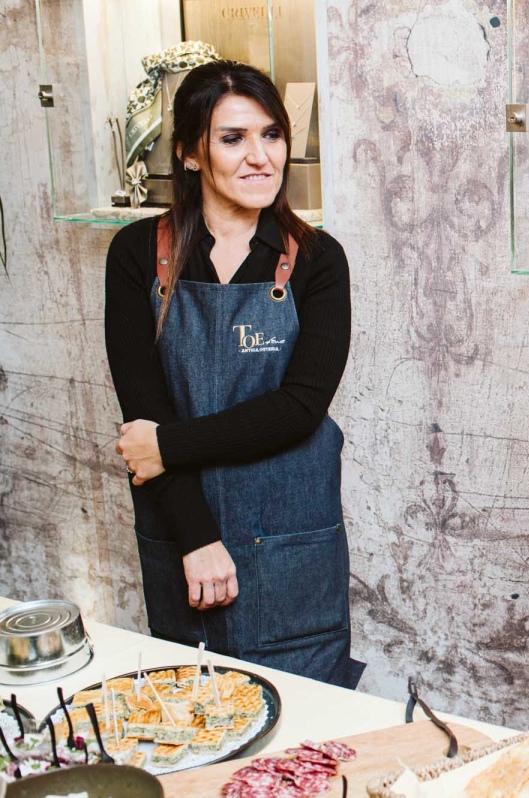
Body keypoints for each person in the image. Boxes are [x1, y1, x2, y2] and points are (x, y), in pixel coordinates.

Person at [105, 60, 364, 688]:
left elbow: (298, 409)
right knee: (193, 710)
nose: (260, 157)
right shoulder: (137, 254)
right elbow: (144, 408)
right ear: (190, 153)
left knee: (307, 721)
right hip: (183, 535)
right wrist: (196, 538)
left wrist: (166, 447)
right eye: (232, 138)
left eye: (272, 135)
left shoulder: (318, 260)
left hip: (292, 543)